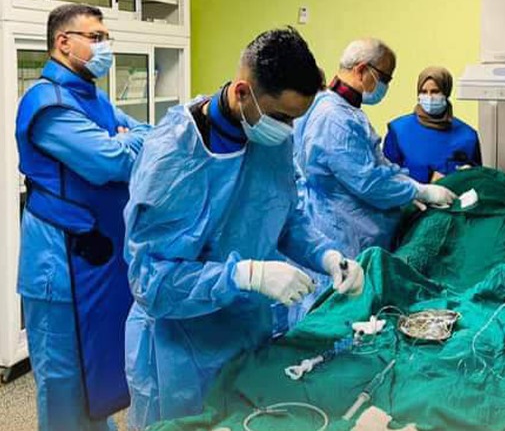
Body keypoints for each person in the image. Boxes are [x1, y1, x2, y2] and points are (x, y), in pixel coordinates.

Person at [123, 28, 364, 430]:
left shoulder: (271, 137)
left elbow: (285, 216)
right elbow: (151, 282)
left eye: (295, 119)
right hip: (183, 349)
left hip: (248, 328)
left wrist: (327, 255)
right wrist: (244, 274)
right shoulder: (172, 156)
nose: (288, 129)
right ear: (241, 92)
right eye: (282, 117)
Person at [15, 4, 151, 431]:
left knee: (96, 377)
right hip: (58, 266)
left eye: (106, 37)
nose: (105, 46)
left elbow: (149, 135)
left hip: (95, 257)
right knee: (63, 386)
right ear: (63, 42)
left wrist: (126, 139)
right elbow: (110, 162)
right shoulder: (46, 104)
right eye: (96, 37)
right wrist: (124, 142)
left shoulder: (93, 98)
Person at [294, 39, 457, 258]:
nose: (385, 87)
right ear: (362, 70)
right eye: (385, 78)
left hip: (344, 228)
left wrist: (407, 184)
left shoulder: (336, 108)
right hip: (345, 237)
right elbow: (367, 181)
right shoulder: (335, 119)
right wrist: (419, 191)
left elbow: (375, 162)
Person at [384, 66, 482, 183]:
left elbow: (479, 179)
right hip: (412, 194)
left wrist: (469, 174)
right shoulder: (399, 130)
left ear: (446, 93)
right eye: (424, 92)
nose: (429, 97)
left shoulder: (468, 136)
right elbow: (386, 174)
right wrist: (427, 175)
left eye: (435, 91)